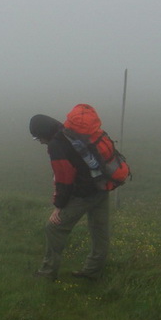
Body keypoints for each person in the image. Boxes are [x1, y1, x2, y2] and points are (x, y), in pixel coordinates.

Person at [29, 113, 110, 281]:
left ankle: (46, 274)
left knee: (54, 227)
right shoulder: (70, 132)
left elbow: (64, 178)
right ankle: (93, 272)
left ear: (44, 133)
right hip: (102, 186)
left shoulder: (56, 145)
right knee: (99, 230)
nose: (41, 142)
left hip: (85, 193)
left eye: (38, 138)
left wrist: (58, 207)